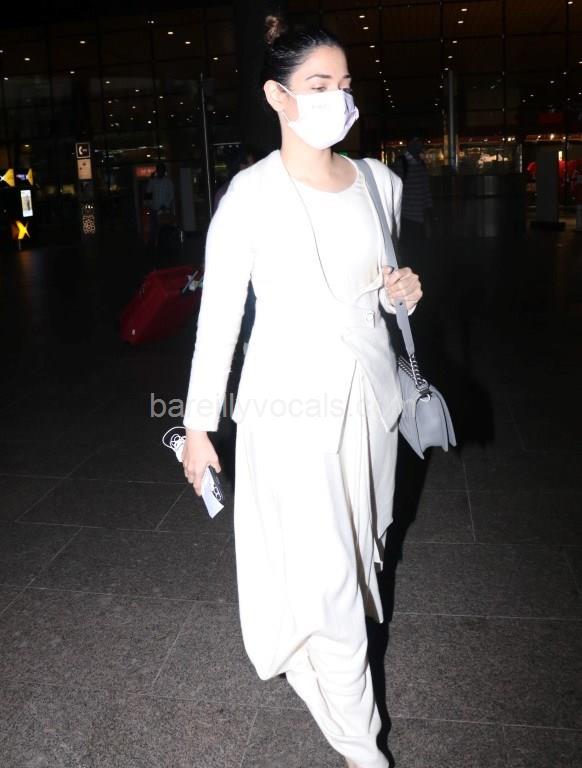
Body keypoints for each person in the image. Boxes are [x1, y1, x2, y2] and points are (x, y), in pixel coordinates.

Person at [181, 15, 422, 768]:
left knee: (359, 555)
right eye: (319, 85)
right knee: (331, 581)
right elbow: (219, 319)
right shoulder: (249, 197)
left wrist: (401, 293)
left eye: (344, 85)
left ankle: (319, 664)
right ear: (277, 96)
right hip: (289, 411)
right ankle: (363, 747)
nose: (337, 99)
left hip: (370, 407)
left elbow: (379, 288)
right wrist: (197, 426)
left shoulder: (379, 183)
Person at [392, 138, 433, 277]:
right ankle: (409, 273)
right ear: (410, 144)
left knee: (417, 249)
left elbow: (425, 189)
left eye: (420, 142)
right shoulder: (401, 163)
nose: (420, 145)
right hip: (406, 216)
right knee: (409, 250)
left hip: (419, 216)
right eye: (416, 142)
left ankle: (416, 272)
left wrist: (429, 209)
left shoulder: (420, 163)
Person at [145, 162, 175, 247]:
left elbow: (172, 194)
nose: (160, 171)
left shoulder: (168, 181)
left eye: (162, 170)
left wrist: (166, 204)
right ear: (157, 171)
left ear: (164, 171)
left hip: (164, 210)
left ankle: (164, 244)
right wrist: (150, 180)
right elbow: (148, 192)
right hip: (154, 209)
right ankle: (152, 245)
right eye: (159, 170)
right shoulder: (153, 181)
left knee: (164, 228)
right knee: (153, 227)